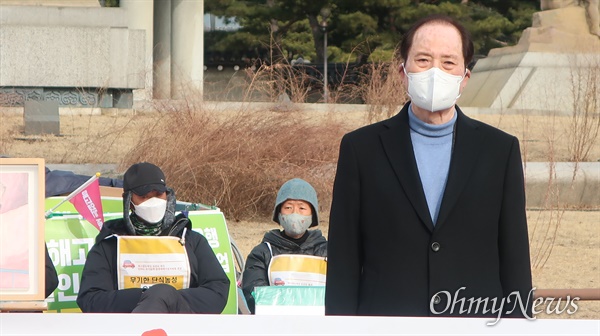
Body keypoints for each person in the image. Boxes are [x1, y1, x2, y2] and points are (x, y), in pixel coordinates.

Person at [325, 14, 533, 318]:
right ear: (402, 71)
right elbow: (344, 256)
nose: (435, 71)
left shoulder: (500, 150)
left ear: (465, 77)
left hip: (475, 321)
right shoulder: (361, 149)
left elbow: (514, 256)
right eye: (423, 60)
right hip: (386, 322)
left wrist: (521, 324)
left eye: (448, 63)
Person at [77, 162, 229, 313]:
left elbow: (218, 290)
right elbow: (90, 298)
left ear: (168, 195)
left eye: (158, 194)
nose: (153, 202)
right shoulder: (110, 245)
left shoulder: (191, 240)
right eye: (144, 196)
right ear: (129, 201)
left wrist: (168, 298)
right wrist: (145, 297)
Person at [241, 178, 327, 313]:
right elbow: (254, 295)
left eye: (302, 208)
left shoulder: (326, 252)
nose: (295, 213)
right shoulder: (263, 253)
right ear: (279, 213)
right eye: (288, 207)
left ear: (312, 214)